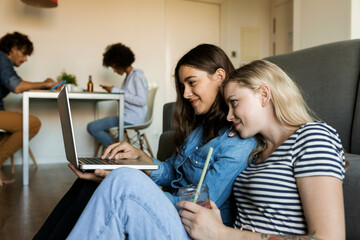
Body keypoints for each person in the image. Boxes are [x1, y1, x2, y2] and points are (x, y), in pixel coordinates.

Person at [34, 44, 257, 240]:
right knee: (88, 184)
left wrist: (128, 181)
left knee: (118, 181)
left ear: (219, 76)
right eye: (182, 87)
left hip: (189, 225)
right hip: (171, 212)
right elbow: (172, 171)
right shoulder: (201, 128)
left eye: (192, 83)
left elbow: (194, 206)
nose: (186, 94)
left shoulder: (238, 142)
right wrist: (143, 161)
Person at [176, 60, 345, 239]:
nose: (229, 116)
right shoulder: (256, 152)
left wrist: (221, 233)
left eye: (234, 102)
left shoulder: (312, 137)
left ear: (264, 94)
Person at [0, 32, 57, 186]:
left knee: (14, 130)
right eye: (24, 54)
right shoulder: (2, 59)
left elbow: (19, 82)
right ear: (13, 49)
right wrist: (45, 85)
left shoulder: (4, 62)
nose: (25, 59)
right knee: (32, 123)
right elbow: (17, 86)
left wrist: (43, 84)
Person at [87, 43, 148, 148]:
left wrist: (115, 90)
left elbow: (141, 100)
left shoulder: (137, 76)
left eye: (114, 67)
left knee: (92, 127)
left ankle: (115, 148)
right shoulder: (129, 76)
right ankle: (116, 146)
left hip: (132, 118)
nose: (114, 71)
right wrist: (113, 90)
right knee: (94, 127)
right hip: (127, 117)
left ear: (121, 63)